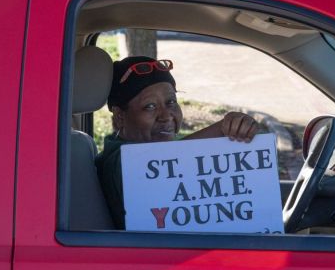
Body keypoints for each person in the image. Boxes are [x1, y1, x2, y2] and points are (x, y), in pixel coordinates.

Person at [96, 55, 259, 228]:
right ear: (120, 117)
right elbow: (157, 163)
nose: (166, 116)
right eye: (150, 106)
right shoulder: (118, 163)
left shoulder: (156, 145)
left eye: (171, 102)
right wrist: (222, 128)